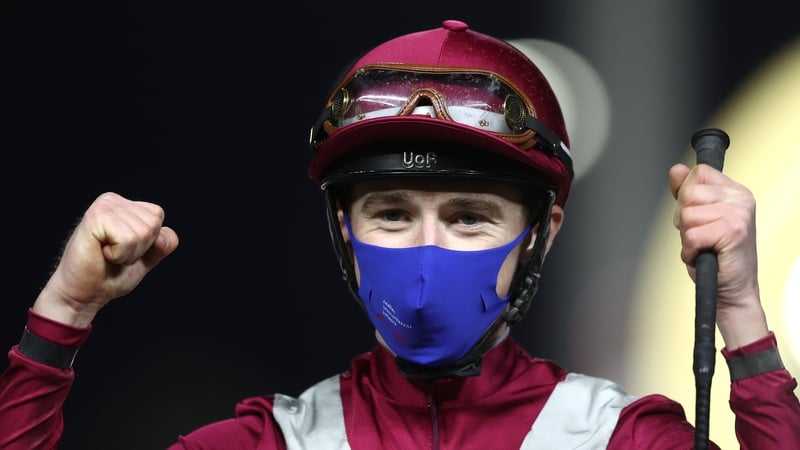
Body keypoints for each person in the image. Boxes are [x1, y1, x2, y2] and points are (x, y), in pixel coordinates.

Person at [1, 19, 799, 449]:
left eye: (469, 217)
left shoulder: (621, 442)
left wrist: (738, 311)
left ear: (543, 233)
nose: (424, 256)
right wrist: (62, 313)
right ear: (344, 232)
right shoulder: (269, 444)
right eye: (391, 213)